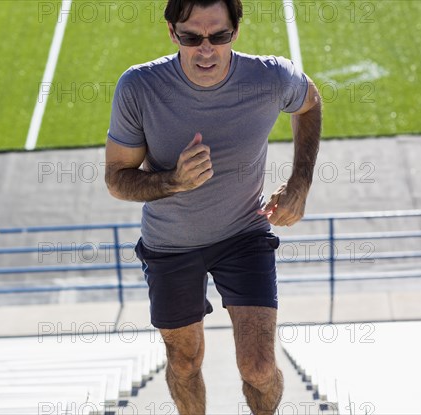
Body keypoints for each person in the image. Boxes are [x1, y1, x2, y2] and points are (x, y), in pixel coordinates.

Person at [105, 0, 321, 413]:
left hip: (244, 235)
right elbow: (117, 179)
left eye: (218, 36)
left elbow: (309, 103)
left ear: (235, 32)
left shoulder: (270, 76)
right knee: (184, 362)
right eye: (191, 37)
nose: (206, 50)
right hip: (170, 244)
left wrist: (300, 183)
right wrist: (173, 181)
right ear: (172, 33)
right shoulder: (138, 87)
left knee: (258, 367)